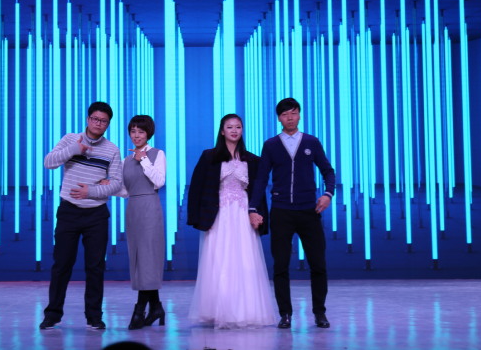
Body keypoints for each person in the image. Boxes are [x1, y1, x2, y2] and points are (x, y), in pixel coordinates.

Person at [249, 97, 336, 330]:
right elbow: (261, 179)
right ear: (279, 118)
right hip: (281, 212)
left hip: (309, 211)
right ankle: (285, 314)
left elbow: (328, 171)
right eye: (285, 114)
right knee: (281, 266)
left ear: (299, 115)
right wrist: (253, 208)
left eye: (294, 113)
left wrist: (328, 194)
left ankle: (320, 313)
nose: (290, 117)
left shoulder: (311, 142)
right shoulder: (271, 145)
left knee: (318, 264)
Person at [40, 101, 124, 331]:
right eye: (95, 119)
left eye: (104, 121)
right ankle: (52, 314)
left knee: (95, 267)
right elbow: (48, 163)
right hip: (69, 211)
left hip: (96, 214)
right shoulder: (70, 139)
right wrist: (73, 150)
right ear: (88, 119)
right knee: (61, 265)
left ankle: (94, 317)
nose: (99, 123)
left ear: (108, 124)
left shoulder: (112, 150)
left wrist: (92, 191)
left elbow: (116, 184)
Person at [186, 113, 275, 329]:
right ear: (222, 131)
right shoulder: (209, 156)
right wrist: (195, 217)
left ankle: (245, 310)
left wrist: (259, 214)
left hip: (243, 214)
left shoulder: (252, 160)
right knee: (218, 259)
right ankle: (217, 310)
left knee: (245, 260)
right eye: (229, 127)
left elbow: (259, 192)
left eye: (238, 127)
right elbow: (196, 187)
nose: (234, 131)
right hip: (218, 215)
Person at [105, 115, 167, 330]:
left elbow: (159, 181)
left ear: (148, 133)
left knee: (149, 257)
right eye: (133, 131)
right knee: (139, 259)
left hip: (150, 206)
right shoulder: (125, 160)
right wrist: (108, 185)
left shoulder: (157, 154)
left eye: (141, 131)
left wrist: (144, 160)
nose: (136, 135)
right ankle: (156, 306)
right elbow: (124, 191)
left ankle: (140, 309)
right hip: (133, 208)